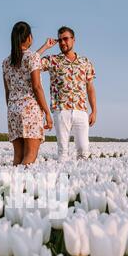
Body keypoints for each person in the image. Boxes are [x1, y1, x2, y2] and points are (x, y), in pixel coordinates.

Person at [37, 26, 97, 161]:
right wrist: (45, 47)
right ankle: (63, 180)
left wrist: (94, 110)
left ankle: (81, 179)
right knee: (63, 151)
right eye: (60, 40)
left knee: (83, 150)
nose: (63, 43)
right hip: (61, 110)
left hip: (81, 110)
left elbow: (90, 87)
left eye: (65, 39)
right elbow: (31, 63)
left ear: (73, 40)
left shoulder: (85, 62)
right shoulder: (53, 60)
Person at [2, 21, 53, 166]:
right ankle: (21, 186)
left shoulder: (6, 62)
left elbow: (7, 91)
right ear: (29, 37)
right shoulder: (32, 58)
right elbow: (37, 87)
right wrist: (47, 113)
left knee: (18, 156)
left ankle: (12, 185)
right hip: (30, 110)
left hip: (12, 110)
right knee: (30, 155)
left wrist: (13, 109)